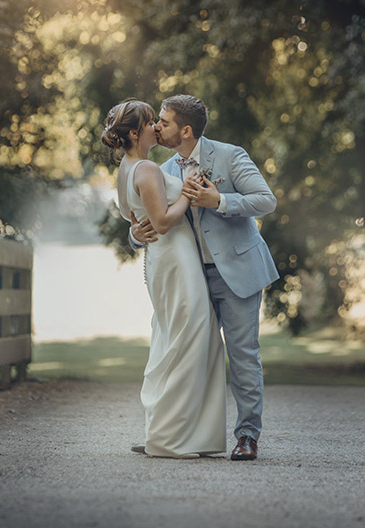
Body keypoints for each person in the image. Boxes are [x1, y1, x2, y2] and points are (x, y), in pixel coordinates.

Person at [130, 94, 278, 461]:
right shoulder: (160, 169)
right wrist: (134, 236)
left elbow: (265, 200)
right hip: (190, 279)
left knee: (243, 356)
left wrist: (219, 202)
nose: (156, 127)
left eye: (162, 122)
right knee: (185, 355)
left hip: (237, 273)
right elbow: (149, 219)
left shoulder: (229, 155)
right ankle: (178, 435)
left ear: (186, 129)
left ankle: (247, 436)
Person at [102, 99, 226, 459]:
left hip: (164, 260)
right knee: (189, 337)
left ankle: (181, 433)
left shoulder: (128, 169)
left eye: (159, 120)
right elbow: (162, 222)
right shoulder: (148, 170)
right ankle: (171, 437)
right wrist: (188, 193)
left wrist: (138, 232)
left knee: (178, 337)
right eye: (150, 121)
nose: (157, 126)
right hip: (176, 260)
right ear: (134, 132)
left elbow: (135, 220)